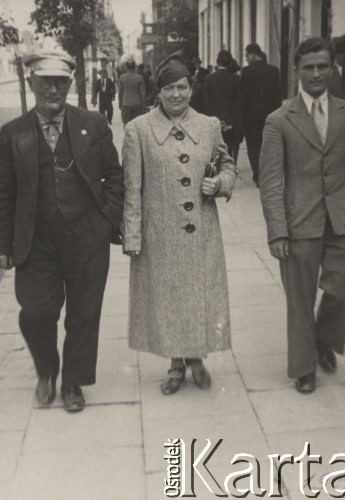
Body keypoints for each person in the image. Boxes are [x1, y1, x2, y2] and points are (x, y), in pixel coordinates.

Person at [0, 49, 124, 411]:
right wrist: (4, 244)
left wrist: (104, 222)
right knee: (35, 312)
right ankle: (47, 369)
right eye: (45, 82)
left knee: (85, 312)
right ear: (31, 83)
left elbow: (115, 177)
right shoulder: (12, 134)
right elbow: (4, 193)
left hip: (87, 235)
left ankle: (73, 382)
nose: (53, 89)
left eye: (60, 82)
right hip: (36, 240)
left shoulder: (93, 124)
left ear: (69, 83)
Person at [122, 55, 237, 395]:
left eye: (183, 87)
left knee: (198, 294)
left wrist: (220, 184)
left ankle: (197, 359)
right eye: (169, 88)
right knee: (169, 297)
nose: (176, 95)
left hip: (201, 229)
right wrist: (133, 234)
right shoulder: (138, 130)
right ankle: (175, 364)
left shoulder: (209, 125)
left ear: (191, 88)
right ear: (157, 92)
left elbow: (227, 166)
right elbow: (132, 187)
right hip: (160, 232)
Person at [259, 37, 345, 394]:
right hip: (299, 221)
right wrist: (277, 231)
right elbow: (271, 181)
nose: (317, 73)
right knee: (300, 298)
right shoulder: (279, 120)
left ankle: (324, 337)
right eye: (309, 67)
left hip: (342, 219)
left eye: (323, 66)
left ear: (332, 66)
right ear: (297, 70)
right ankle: (304, 368)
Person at [238, 43, 281, 186]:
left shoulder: (246, 71)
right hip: (270, 115)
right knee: (268, 145)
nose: (246, 59)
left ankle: (258, 175)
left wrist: (241, 113)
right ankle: (268, 174)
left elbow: (243, 96)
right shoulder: (274, 71)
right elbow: (277, 95)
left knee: (253, 146)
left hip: (251, 117)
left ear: (252, 54)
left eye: (246, 55)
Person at [203, 50, 241, 160]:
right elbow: (238, 102)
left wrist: (217, 119)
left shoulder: (209, 78)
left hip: (214, 121)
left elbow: (207, 102)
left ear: (217, 62)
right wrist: (230, 120)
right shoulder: (236, 79)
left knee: (215, 151)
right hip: (231, 122)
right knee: (229, 149)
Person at [118, 59, 146, 126]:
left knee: (126, 124)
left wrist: (120, 104)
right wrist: (143, 105)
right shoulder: (139, 78)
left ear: (126, 67)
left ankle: (128, 136)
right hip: (137, 104)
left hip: (125, 104)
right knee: (137, 124)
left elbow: (120, 92)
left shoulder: (122, 77)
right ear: (134, 67)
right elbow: (143, 93)